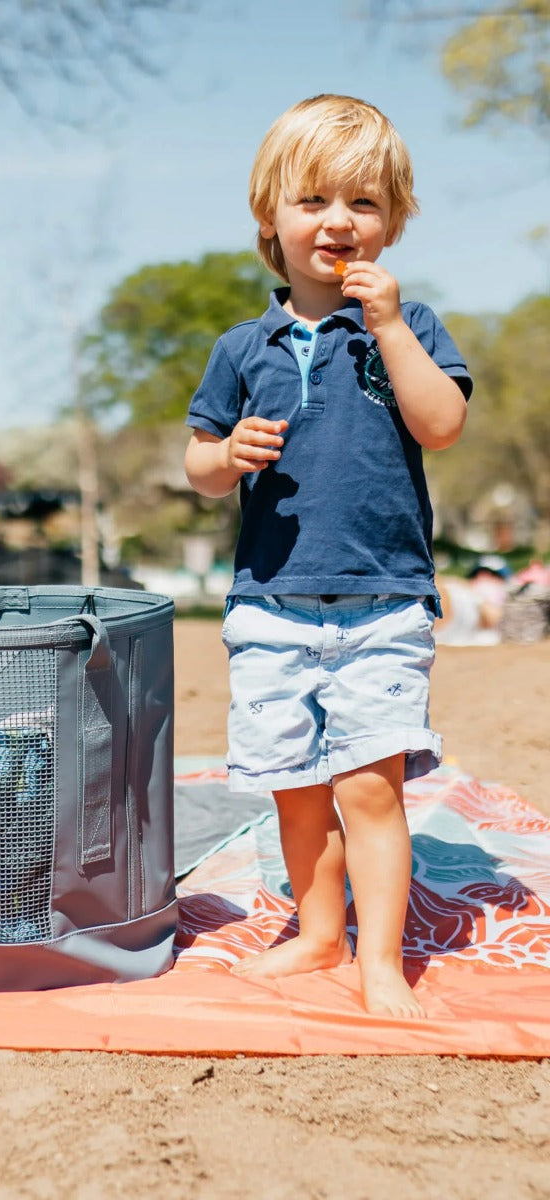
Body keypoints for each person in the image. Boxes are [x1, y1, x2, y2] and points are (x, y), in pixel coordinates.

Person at [183, 95, 472, 1018]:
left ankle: (379, 960)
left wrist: (387, 326)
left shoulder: (412, 325)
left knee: (369, 786)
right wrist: (226, 458)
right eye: (314, 201)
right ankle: (317, 934)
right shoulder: (243, 346)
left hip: (383, 597)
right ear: (271, 216)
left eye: (364, 204)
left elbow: (444, 422)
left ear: (393, 220)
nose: (340, 222)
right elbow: (197, 463)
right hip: (270, 602)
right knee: (298, 791)